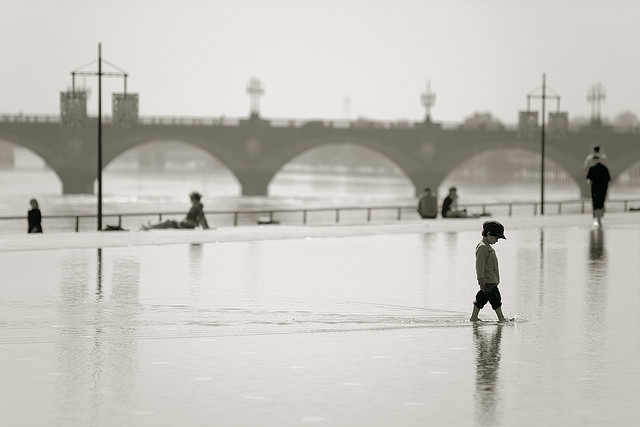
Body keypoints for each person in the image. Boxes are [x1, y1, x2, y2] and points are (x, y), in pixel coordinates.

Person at [470, 220, 507, 322]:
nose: (497, 240)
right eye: (496, 238)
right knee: (495, 299)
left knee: (481, 298)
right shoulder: (482, 247)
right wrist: (480, 279)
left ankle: (474, 317)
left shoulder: (488, 247)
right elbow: (479, 265)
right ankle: (501, 318)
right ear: (489, 234)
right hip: (488, 281)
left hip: (492, 280)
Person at [142, 192, 210, 230]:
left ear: (195, 199)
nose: (190, 200)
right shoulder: (198, 206)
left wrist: (206, 227)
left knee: (168, 222)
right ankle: (151, 227)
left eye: (191, 199)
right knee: (169, 222)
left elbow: (201, 217)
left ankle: (151, 227)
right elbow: (201, 217)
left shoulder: (197, 207)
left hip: (187, 225)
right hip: (186, 224)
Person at [586, 157, 611, 227]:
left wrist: (591, 188)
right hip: (603, 190)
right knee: (601, 203)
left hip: (595, 190)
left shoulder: (592, 168)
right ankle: (600, 219)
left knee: (596, 204)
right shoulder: (605, 168)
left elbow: (589, 180)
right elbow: (608, 180)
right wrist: (606, 189)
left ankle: (598, 219)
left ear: (594, 161)